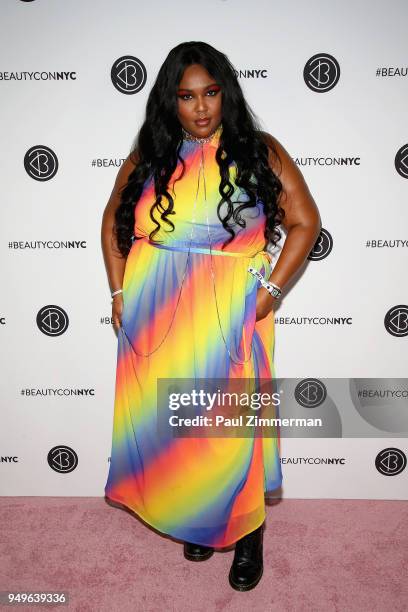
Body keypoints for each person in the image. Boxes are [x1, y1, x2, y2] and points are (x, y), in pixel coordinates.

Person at [101, 41, 321, 592]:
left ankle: (248, 534)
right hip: (159, 310)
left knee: (230, 424)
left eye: (211, 93)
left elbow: (306, 222)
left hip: (230, 307)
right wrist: (119, 290)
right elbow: (112, 221)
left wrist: (270, 290)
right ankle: (201, 514)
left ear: (226, 94)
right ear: (169, 101)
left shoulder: (260, 150)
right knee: (180, 423)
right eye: (187, 96)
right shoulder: (151, 154)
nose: (201, 107)